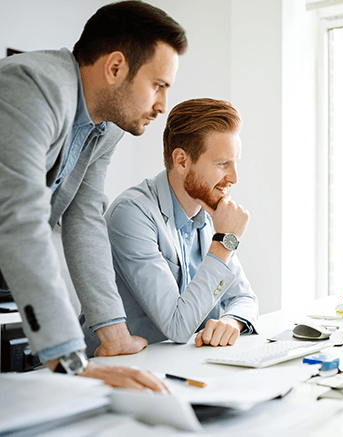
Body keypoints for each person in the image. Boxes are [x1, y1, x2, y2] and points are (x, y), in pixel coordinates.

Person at [0, 0, 187, 391]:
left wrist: (112, 332)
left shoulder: (106, 125)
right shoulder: (34, 86)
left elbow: (84, 217)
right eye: (158, 85)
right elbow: (20, 216)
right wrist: (68, 357)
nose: (162, 106)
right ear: (115, 67)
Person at [83, 98, 258, 355]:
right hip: (118, 369)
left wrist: (231, 322)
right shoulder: (132, 214)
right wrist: (224, 241)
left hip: (177, 364)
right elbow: (177, 327)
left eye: (235, 164)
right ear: (182, 161)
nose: (233, 178)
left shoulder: (210, 212)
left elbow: (244, 299)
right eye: (222, 164)